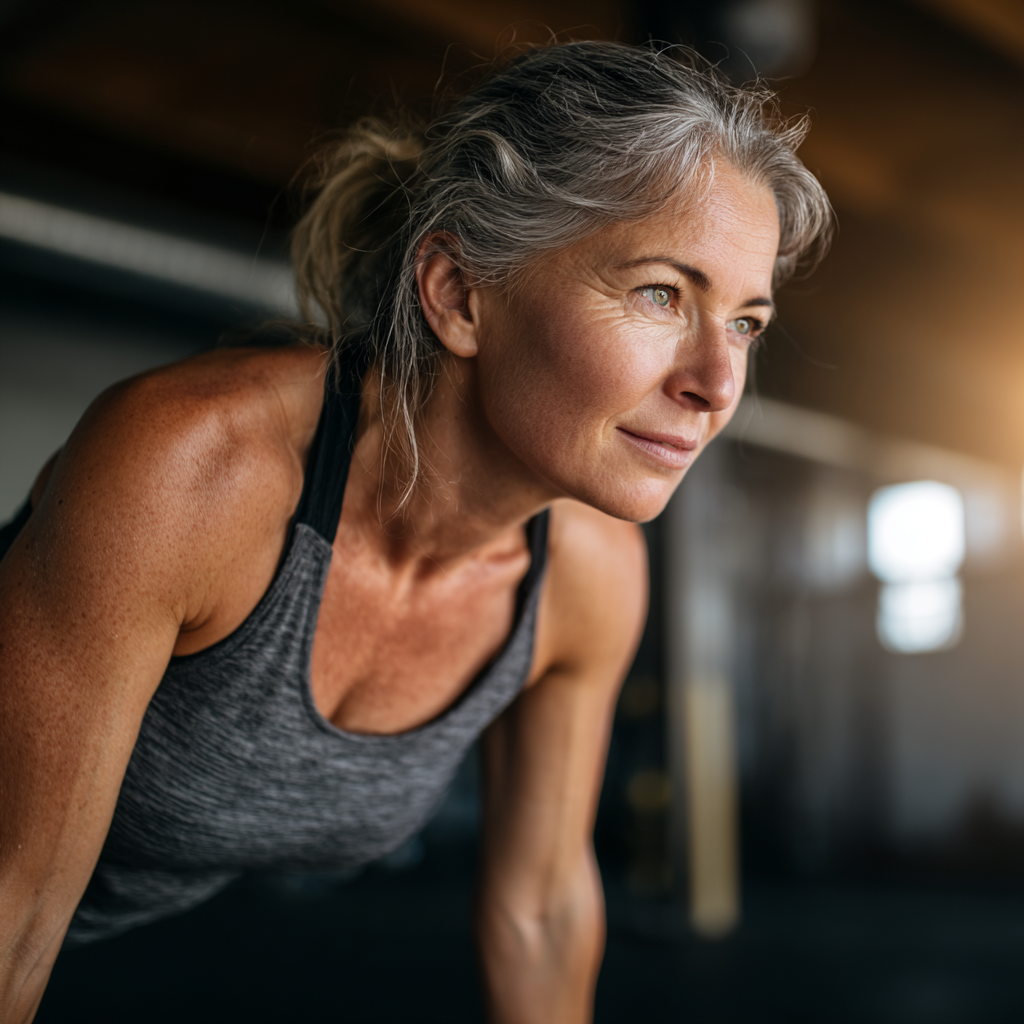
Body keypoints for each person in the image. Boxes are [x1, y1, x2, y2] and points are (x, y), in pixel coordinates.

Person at [0, 41, 831, 1023]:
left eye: (743, 321)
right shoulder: (199, 473)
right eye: (661, 293)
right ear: (459, 294)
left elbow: (543, 912)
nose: (717, 384)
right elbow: (13, 913)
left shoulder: (586, 574)